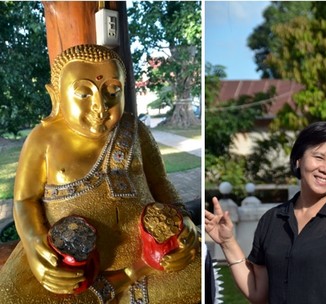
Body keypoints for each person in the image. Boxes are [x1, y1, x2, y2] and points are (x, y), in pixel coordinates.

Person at [0, 44, 201, 303]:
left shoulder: (135, 131)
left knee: (197, 276)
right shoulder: (44, 139)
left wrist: (183, 221)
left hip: (148, 254)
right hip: (73, 261)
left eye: (113, 91)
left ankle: (129, 277)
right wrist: (34, 244)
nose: (101, 106)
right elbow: (24, 200)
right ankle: (116, 284)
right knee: (14, 295)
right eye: (84, 93)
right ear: (56, 96)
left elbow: (159, 181)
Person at [205, 121, 326, 304]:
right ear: (299, 159)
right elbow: (259, 293)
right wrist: (227, 242)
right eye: (319, 157)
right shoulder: (272, 220)